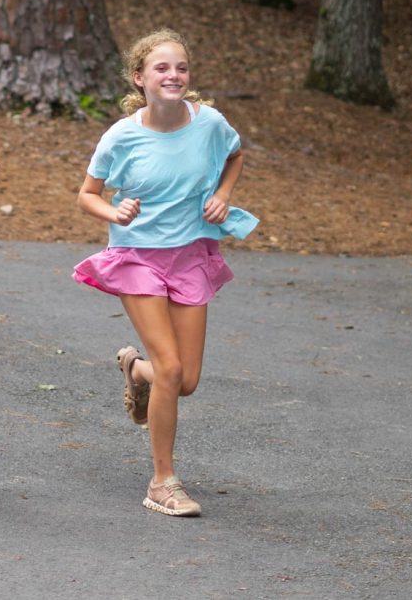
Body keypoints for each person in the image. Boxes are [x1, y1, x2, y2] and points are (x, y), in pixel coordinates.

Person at [73, 29, 256, 517]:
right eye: (161, 68)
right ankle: (162, 482)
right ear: (140, 78)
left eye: (181, 67)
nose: (173, 75)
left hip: (191, 254)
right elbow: (87, 194)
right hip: (138, 257)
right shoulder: (122, 136)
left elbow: (236, 155)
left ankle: (136, 370)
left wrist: (223, 195)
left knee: (185, 379)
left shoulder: (210, 123)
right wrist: (114, 212)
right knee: (171, 370)